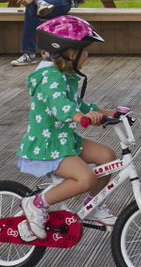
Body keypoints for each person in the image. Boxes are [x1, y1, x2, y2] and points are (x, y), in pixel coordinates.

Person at [16, 16, 119, 241]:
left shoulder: (65, 76)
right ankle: (36, 204)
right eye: (85, 50)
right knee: (85, 179)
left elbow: (78, 105)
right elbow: (59, 106)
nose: (87, 55)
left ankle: (92, 206)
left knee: (107, 157)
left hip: (65, 139)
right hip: (47, 144)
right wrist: (79, 117)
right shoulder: (50, 77)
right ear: (71, 54)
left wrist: (107, 114)